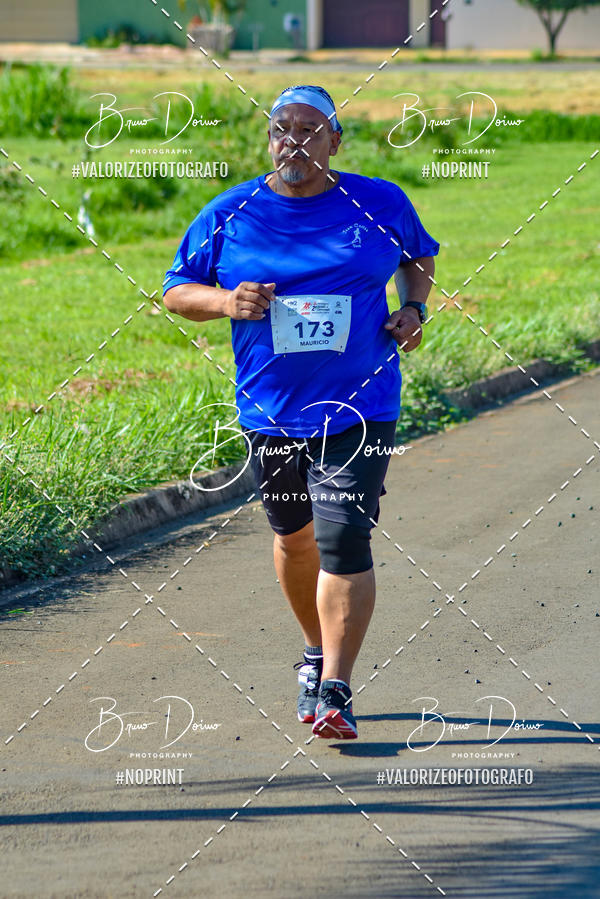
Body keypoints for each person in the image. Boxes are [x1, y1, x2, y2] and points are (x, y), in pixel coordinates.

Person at [163, 85, 439, 740]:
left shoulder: (378, 202)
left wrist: (414, 308)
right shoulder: (231, 212)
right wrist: (228, 303)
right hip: (271, 412)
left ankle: (337, 687)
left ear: (335, 141)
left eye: (311, 129)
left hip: (361, 406)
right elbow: (176, 290)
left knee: (345, 536)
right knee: (294, 537)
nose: (294, 141)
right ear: (268, 140)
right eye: (281, 128)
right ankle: (315, 651)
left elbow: (419, 257)